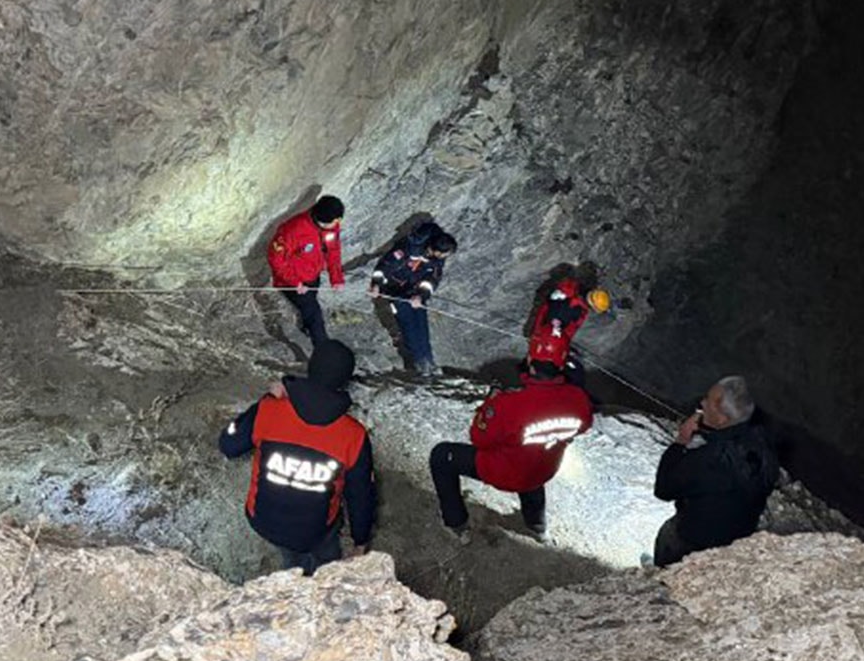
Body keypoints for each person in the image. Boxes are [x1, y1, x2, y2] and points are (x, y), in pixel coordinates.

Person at [218, 340, 375, 575]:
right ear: (344, 383)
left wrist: (264, 401)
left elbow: (228, 444)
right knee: (325, 553)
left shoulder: (270, 410)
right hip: (314, 531)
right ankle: (322, 575)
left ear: (311, 369)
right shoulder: (353, 435)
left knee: (290, 553)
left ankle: (294, 575)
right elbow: (360, 496)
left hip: (264, 520)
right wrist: (360, 540)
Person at [428, 359, 594, 542]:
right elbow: (583, 425)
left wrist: (490, 404)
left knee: (442, 456)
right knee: (534, 460)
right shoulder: (579, 401)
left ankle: (456, 524)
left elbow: (479, 438)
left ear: (532, 368)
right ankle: (537, 527)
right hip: (542, 469)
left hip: (505, 471)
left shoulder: (510, 404)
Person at [653, 375, 779, 567]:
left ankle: (659, 575)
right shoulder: (763, 442)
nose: (702, 402)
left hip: (696, 543)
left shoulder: (708, 460)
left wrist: (681, 440)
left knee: (667, 535)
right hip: (737, 537)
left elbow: (663, 490)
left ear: (721, 418)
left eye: (708, 402)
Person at [369, 222, 458, 377]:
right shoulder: (406, 250)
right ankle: (418, 365)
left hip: (415, 293)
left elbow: (432, 279)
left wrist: (421, 295)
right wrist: (376, 285)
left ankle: (428, 364)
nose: (445, 258)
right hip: (395, 292)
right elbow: (383, 267)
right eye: (444, 254)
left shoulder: (437, 259)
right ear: (435, 250)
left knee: (421, 328)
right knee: (408, 327)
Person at [267, 195, 346, 351]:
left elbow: (333, 251)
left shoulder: (331, 225)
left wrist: (336, 278)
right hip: (292, 283)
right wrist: (295, 282)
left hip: (312, 276)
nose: (337, 225)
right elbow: (275, 260)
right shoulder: (292, 230)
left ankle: (306, 327)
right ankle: (324, 352)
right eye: (334, 222)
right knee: (315, 315)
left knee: (310, 309)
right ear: (321, 220)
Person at [527, 274, 611, 371]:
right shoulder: (574, 309)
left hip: (548, 321)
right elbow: (561, 328)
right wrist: (563, 346)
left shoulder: (577, 291)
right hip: (546, 333)